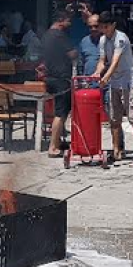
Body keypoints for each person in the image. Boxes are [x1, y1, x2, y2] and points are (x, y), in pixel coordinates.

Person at [92, 11, 133, 167]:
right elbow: (103, 61)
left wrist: (106, 77)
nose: (104, 30)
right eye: (101, 27)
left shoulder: (121, 38)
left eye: (106, 27)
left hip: (128, 82)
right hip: (115, 83)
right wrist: (97, 73)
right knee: (114, 119)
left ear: (113, 25)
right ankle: (116, 151)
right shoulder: (103, 40)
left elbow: (115, 61)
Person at [42, 11, 78, 158]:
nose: (70, 24)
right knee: (60, 113)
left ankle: (59, 141)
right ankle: (53, 147)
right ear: (61, 21)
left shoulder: (45, 36)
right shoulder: (59, 35)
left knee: (61, 110)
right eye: (68, 21)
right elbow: (72, 54)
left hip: (50, 76)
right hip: (61, 78)